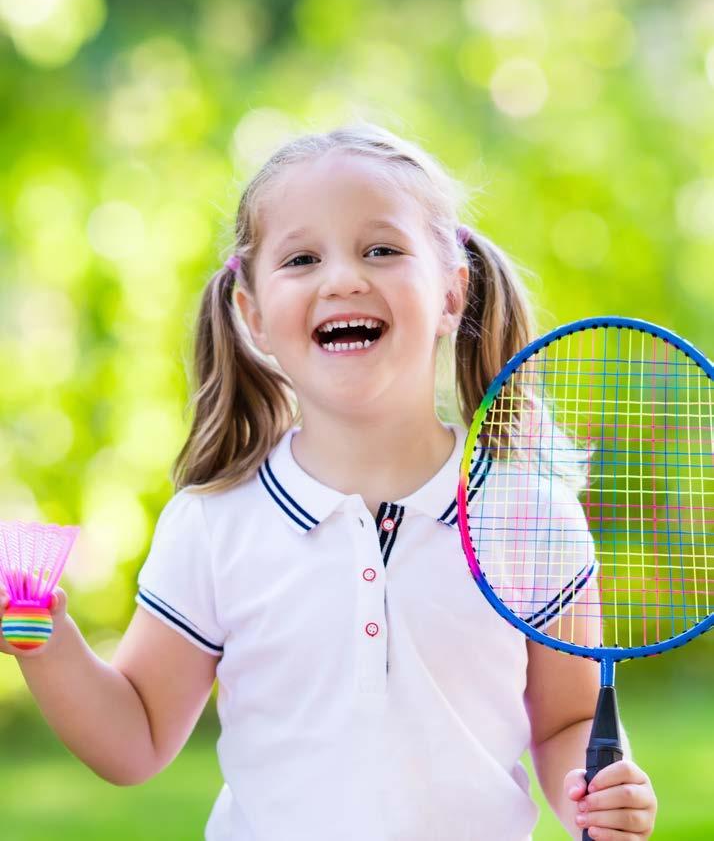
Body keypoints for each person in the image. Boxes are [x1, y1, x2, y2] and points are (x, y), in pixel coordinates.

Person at [0, 123, 657, 840]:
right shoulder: (216, 524)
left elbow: (566, 721)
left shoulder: (529, 515)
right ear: (252, 316)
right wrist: (47, 636)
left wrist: (597, 799)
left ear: (450, 293)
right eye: (303, 258)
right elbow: (137, 736)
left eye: (381, 249)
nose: (343, 278)